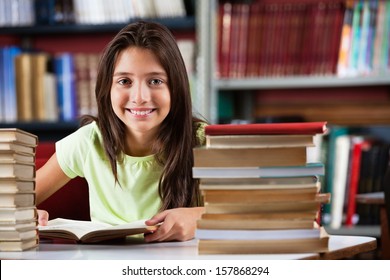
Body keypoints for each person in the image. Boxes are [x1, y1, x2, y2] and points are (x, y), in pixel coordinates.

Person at [36, 21, 207, 242]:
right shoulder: (88, 141)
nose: (139, 97)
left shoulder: (204, 142)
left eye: (155, 81)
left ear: (176, 87)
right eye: (124, 81)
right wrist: (23, 216)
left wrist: (200, 216)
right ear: (107, 88)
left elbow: (258, 210)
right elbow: (9, 202)